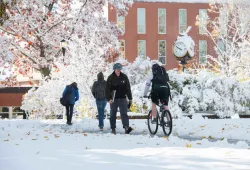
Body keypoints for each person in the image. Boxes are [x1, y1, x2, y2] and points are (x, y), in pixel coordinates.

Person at [105, 63, 133, 134]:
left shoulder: (124, 77)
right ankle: (113, 128)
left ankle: (126, 127)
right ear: (114, 69)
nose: (118, 71)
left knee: (124, 114)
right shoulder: (110, 78)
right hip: (113, 99)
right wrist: (109, 99)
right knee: (113, 114)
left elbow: (128, 88)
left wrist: (130, 98)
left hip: (123, 98)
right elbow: (107, 90)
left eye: (119, 69)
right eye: (117, 69)